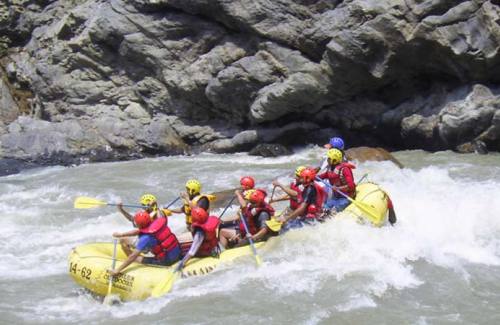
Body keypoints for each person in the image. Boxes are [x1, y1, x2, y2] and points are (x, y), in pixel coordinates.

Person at [108, 211, 181, 276]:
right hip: (178, 254)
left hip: (166, 261)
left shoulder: (145, 238)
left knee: (136, 257)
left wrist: (117, 270)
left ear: (139, 225)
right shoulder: (160, 221)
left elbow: (133, 256)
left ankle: (134, 263)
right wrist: (122, 234)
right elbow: (140, 231)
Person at [175, 207, 220, 272]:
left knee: (182, 254)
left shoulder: (199, 233)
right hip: (214, 248)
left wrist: (181, 264)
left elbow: (192, 252)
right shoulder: (207, 223)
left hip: (207, 253)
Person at [318, 148, 356, 213]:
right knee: (323, 209)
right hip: (335, 197)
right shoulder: (330, 169)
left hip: (346, 198)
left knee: (333, 211)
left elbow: (351, 186)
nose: (327, 160)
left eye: (329, 159)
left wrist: (339, 188)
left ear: (334, 160)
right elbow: (321, 177)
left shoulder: (345, 169)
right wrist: (312, 176)